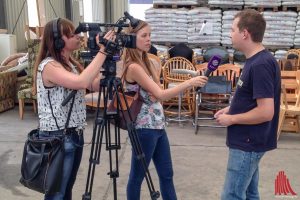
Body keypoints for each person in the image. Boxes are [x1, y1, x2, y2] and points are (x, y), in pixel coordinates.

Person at [122, 20, 208, 200]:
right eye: (144, 36)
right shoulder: (134, 66)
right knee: (137, 177)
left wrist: (159, 91)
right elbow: (161, 95)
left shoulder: (146, 62)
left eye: (149, 35)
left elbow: (158, 92)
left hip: (158, 125)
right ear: (131, 39)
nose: (148, 40)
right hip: (144, 128)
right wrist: (189, 83)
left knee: (167, 174)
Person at [32, 18, 114, 200]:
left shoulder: (69, 64)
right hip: (57, 137)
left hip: (73, 133)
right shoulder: (49, 66)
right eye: (71, 34)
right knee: (57, 193)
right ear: (58, 40)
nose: (78, 37)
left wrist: (112, 67)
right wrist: (103, 51)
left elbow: (92, 84)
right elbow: (81, 82)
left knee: (66, 188)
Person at [214, 9, 281, 200]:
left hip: (248, 143)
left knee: (232, 195)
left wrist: (231, 118)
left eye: (232, 29)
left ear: (245, 33)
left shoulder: (260, 64)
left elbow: (266, 111)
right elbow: (253, 99)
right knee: (250, 194)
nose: (229, 34)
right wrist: (230, 108)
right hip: (248, 141)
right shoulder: (255, 61)